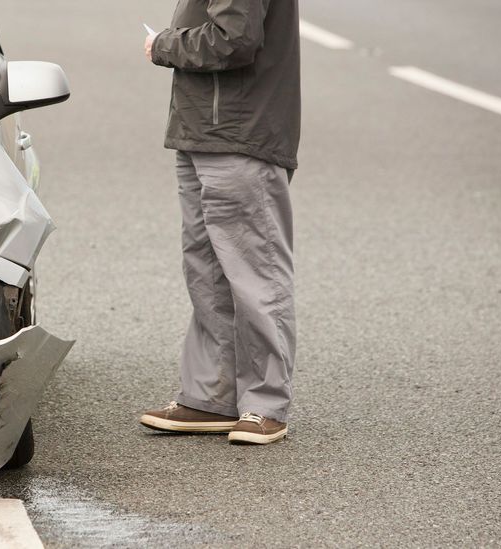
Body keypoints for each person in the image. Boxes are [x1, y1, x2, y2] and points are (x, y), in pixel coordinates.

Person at [138, 0, 301, 445]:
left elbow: (234, 39)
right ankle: (212, 397)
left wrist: (163, 45)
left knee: (255, 272)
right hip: (203, 131)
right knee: (207, 271)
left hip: (238, 132)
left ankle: (265, 405)